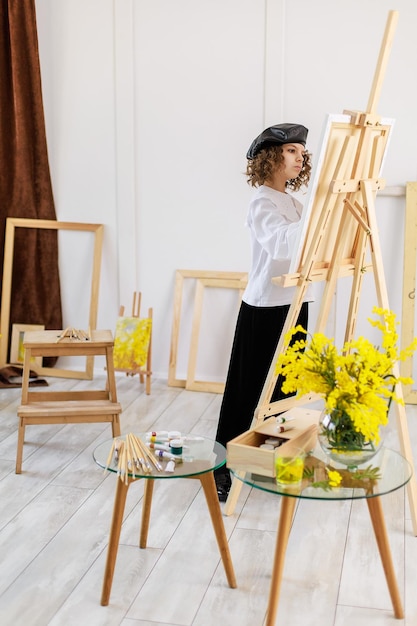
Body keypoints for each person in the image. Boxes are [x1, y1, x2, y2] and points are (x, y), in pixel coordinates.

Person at [214, 122, 313, 501]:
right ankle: (222, 466)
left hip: (296, 302)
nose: (300, 155)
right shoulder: (262, 202)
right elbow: (283, 247)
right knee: (246, 390)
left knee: (286, 391)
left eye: (302, 151)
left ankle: (273, 462)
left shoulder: (295, 204)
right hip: (264, 307)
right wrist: (316, 214)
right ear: (271, 156)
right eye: (292, 149)